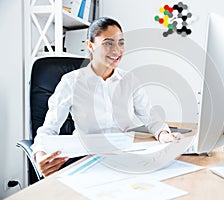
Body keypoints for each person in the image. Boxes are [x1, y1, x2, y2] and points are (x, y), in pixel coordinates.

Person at [31, 17, 182, 177]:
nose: (117, 51)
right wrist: (39, 154)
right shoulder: (71, 82)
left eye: (121, 43)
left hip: (125, 157)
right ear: (90, 46)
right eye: (108, 43)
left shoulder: (129, 80)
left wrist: (163, 134)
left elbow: (152, 119)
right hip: (85, 160)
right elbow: (48, 129)